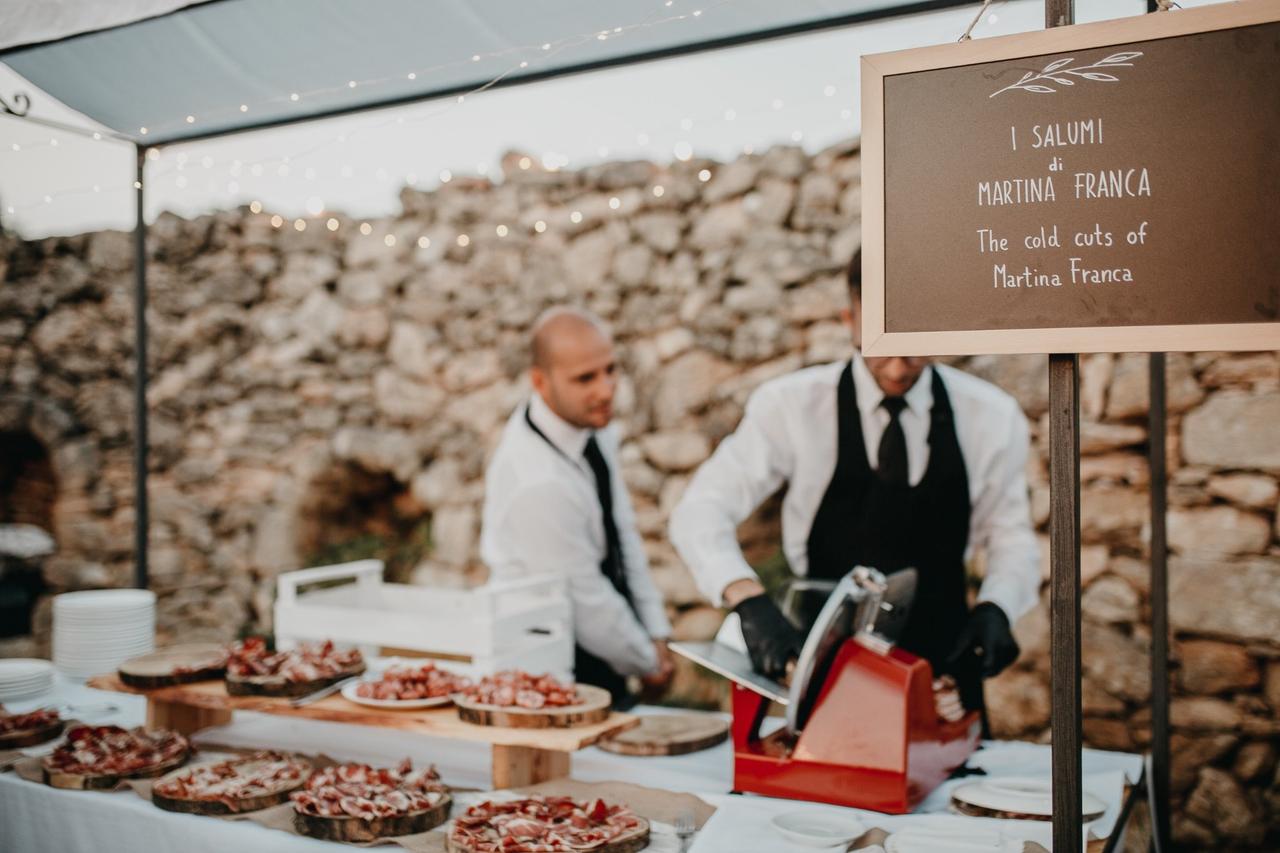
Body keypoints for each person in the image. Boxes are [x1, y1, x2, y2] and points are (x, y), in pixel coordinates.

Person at [669, 249, 1039, 722]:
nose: (899, 367)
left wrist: (997, 607)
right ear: (849, 318)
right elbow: (699, 511)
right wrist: (748, 600)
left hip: (942, 670)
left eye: (917, 345)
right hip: (819, 663)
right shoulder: (791, 407)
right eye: (880, 342)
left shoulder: (991, 416)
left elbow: (1010, 535)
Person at [481, 307, 674, 708]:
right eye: (585, 378)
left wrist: (656, 630)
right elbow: (585, 599)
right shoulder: (537, 480)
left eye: (610, 370)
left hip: (600, 641)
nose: (606, 389)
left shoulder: (588, 427)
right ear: (540, 381)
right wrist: (647, 661)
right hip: (547, 665)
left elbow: (624, 534)